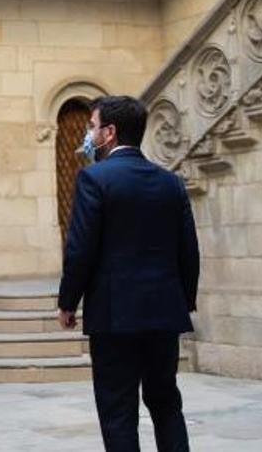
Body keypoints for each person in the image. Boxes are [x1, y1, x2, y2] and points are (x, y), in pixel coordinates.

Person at [57, 96, 198, 452]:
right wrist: (184, 300)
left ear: (110, 131)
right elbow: (189, 250)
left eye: (92, 127)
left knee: (118, 409)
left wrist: (68, 302)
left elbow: (80, 249)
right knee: (166, 402)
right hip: (164, 311)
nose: (89, 134)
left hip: (114, 314)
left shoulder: (94, 178)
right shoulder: (170, 182)